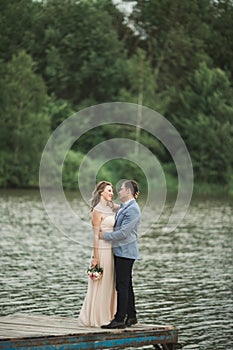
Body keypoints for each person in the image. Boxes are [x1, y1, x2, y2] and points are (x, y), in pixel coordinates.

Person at [77, 181, 119, 327]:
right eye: (109, 190)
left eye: (112, 191)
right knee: (101, 282)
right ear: (101, 192)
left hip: (113, 249)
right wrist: (95, 257)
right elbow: (95, 236)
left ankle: (110, 314)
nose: (112, 193)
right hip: (101, 249)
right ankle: (97, 317)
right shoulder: (97, 211)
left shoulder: (112, 208)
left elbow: (128, 207)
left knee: (110, 282)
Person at [100, 180, 141, 329]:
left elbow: (124, 233)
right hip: (122, 251)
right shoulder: (126, 206)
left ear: (128, 191)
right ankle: (132, 316)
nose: (119, 192)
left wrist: (104, 236)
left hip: (125, 252)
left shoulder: (133, 209)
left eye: (121, 189)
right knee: (127, 285)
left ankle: (119, 319)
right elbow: (114, 207)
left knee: (121, 286)